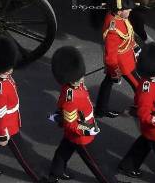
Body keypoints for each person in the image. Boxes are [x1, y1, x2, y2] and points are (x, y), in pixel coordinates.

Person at [0, 37, 41, 180]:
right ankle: (37, 175)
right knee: (22, 152)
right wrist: (3, 134)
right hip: (7, 124)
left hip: (9, 119)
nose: (10, 70)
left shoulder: (0, 76)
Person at [48, 46, 114, 183]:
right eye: (78, 78)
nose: (81, 80)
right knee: (97, 162)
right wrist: (87, 130)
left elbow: (63, 103)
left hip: (78, 128)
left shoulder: (72, 85)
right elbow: (71, 124)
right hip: (81, 134)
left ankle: (56, 173)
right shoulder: (71, 97)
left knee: (64, 150)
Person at [117, 42, 155, 182]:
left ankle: (128, 165)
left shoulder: (147, 81)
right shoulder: (148, 88)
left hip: (150, 127)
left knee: (144, 142)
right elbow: (145, 115)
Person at [95, 0, 138, 117]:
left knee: (107, 84)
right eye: (127, 9)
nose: (130, 10)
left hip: (127, 57)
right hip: (122, 65)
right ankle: (141, 107)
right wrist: (115, 72)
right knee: (139, 86)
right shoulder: (113, 29)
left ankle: (101, 110)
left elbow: (128, 34)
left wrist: (135, 46)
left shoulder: (118, 17)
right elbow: (110, 55)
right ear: (119, 11)